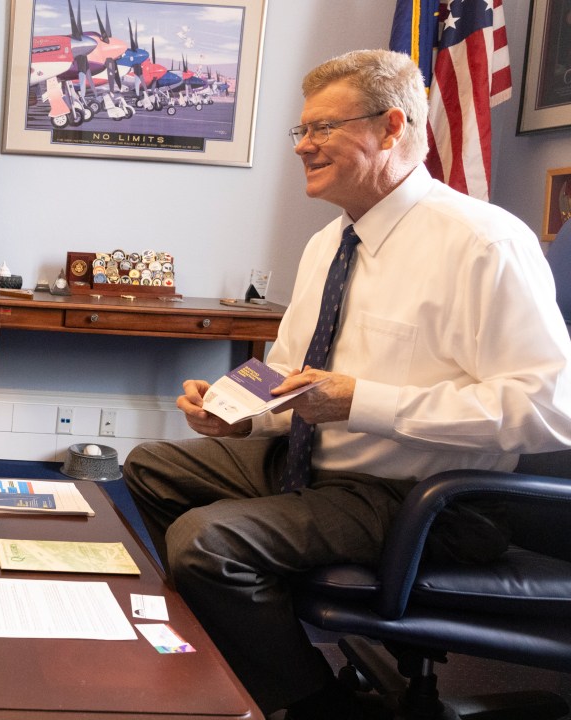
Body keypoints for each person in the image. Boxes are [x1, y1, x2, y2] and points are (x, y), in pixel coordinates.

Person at [124, 49, 571, 720]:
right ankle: (248, 647)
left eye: (323, 128)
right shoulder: (329, 242)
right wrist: (237, 412)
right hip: (322, 466)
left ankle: (315, 706)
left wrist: (362, 401)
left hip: (425, 497)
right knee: (152, 467)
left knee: (205, 542)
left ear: (391, 128)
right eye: (300, 131)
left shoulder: (485, 243)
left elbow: (548, 410)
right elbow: (290, 374)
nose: (303, 146)